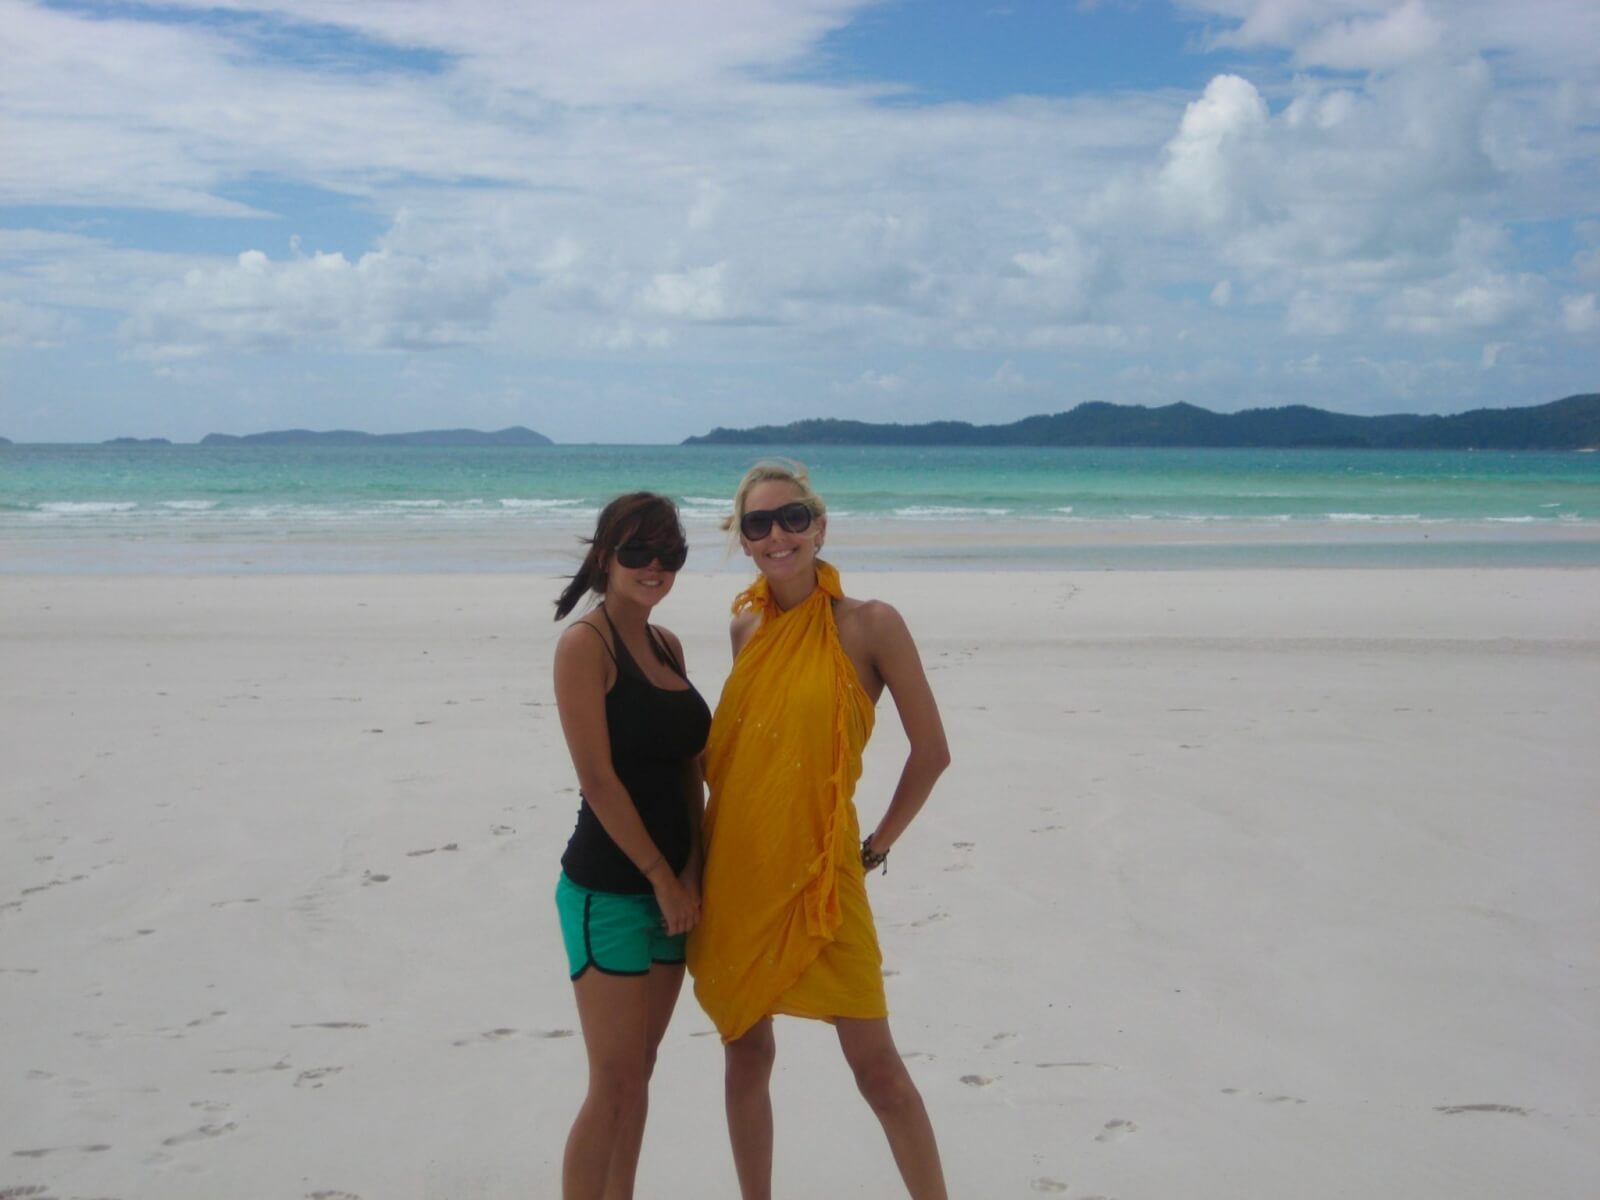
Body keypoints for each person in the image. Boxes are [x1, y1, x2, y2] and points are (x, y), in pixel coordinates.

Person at [687, 461, 952, 1200]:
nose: (778, 535)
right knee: (747, 1052)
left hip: (827, 874)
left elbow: (932, 754)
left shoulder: (872, 624)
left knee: (879, 1072)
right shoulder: (746, 627)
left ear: (820, 526)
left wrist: (875, 849)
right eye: (759, 524)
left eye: (793, 518)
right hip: (739, 867)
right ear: (744, 542)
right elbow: (745, 759)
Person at [551, 492, 711, 1200]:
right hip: (609, 893)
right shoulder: (585, 647)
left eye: (669, 554)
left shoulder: (666, 643)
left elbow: (688, 773)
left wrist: (692, 870)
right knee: (611, 1085)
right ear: (605, 556)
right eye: (638, 552)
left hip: (674, 892)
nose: (654, 567)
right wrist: (661, 878)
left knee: (639, 1071)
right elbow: (600, 781)